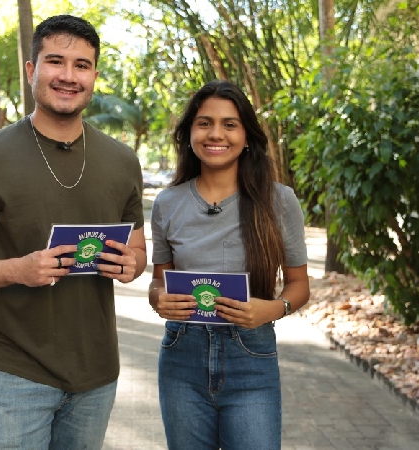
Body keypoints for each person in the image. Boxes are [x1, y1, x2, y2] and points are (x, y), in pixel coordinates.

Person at [0, 14, 147, 450]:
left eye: (82, 65)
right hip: (15, 372)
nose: (68, 76)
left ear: (94, 76)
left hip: (97, 374)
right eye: (55, 61)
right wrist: (19, 269)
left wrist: (132, 265)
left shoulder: (123, 161)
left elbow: (138, 251)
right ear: (32, 71)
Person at [148, 79, 310, 450]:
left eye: (229, 124)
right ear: (189, 133)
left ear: (247, 136)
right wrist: (158, 299)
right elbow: (160, 283)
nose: (215, 133)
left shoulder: (279, 201)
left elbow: (299, 286)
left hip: (251, 358)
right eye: (204, 123)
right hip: (181, 357)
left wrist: (273, 309)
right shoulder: (167, 203)